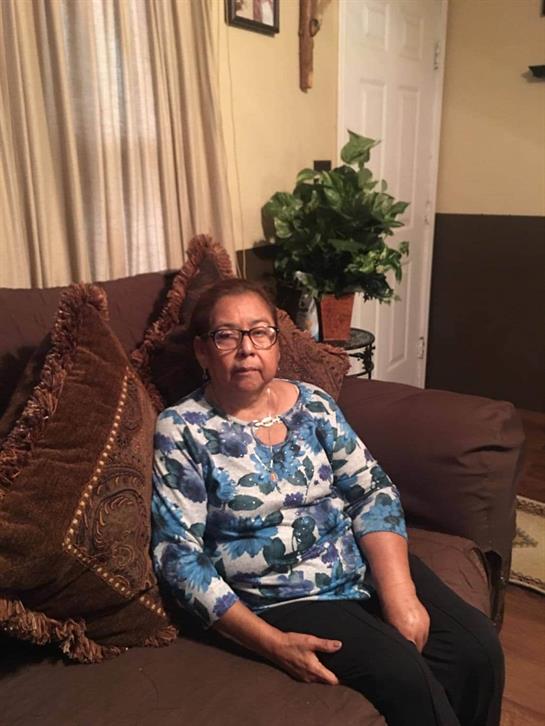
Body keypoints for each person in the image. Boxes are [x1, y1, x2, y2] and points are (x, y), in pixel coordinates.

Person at [151, 278, 504, 726]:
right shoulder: (182, 429)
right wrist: (272, 643)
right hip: (281, 595)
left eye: (260, 332)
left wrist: (399, 593)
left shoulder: (313, 403)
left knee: (478, 650)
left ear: (277, 344)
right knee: (404, 675)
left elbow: (372, 490)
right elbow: (179, 558)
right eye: (226, 335)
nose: (247, 349)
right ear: (202, 351)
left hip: (357, 561)